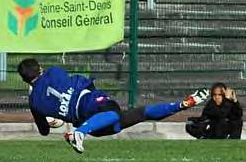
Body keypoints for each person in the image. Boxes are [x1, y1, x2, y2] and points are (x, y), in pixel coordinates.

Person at [17, 58, 210, 154]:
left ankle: (182, 105)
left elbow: (43, 131)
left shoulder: (34, 103)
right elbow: (64, 82)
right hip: (88, 103)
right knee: (114, 111)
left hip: (92, 124)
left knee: (135, 115)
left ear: (25, 80)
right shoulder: (54, 71)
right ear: (40, 68)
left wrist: (52, 120)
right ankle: (79, 133)